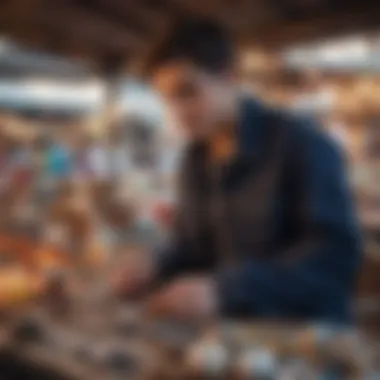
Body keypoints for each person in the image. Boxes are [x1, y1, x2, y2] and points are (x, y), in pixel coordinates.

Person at [117, 19, 362, 323]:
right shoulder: (195, 160)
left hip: (305, 345)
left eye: (188, 91)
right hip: (233, 341)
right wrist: (157, 263)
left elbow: (334, 259)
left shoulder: (304, 145)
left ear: (229, 78)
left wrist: (226, 290)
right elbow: (192, 247)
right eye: (168, 98)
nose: (177, 112)